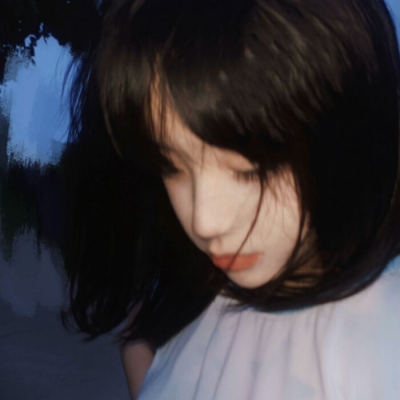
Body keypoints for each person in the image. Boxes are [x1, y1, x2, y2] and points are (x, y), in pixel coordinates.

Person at [59, 0, 400, 398]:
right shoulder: (198, 302)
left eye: (249, 172)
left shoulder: (380, 338)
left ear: (345, 140)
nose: (205, 221)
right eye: (172, 166)